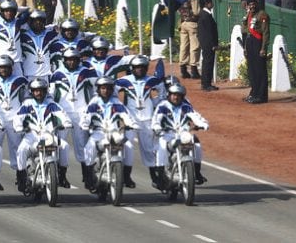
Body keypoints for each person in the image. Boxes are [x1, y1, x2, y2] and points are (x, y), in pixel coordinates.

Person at [12, 78, 72, 191]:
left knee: (64, 146)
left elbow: (63, 115)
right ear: (31, 92)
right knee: (21, 150)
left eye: (41, 90)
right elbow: (17, 117)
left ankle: (62, 175)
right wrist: (18, 126)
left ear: (46, 91)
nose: (38, 93)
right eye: (36, 90)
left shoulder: (52, 105)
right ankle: (21, 178)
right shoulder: (27, 105)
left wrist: (66, 123)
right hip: (31, 136)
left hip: (48, 135)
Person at [49, 49, 98, 188]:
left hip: (81, 112)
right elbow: (51, 94)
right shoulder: (57, 74)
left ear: (79, 59)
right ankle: (61, 176)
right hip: (63, 112)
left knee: (82, 144)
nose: (71, 61)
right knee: (60, 144)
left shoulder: (86, 72)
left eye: (74, 59)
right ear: (64, 60)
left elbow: (96, 89)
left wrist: (92, 106)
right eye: (68, 59)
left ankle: (87, 176)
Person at [116, 55, 165, 189]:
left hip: (147, 119)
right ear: (132, 68)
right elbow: (112, 94)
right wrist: (120, 109)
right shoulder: (124, 81)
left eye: (142, 68)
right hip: (130, 120)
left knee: (149, 148)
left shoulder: (152, 80)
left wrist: (155, 103)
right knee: (128, 147)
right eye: (137, 68)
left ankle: (155, 178)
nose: (139, 70)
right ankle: (126, 176)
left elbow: (162, 93)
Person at [80, 77, 137, 191]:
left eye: (108, 88)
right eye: (103, 88)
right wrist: (85, 124)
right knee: (89, 148)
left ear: (112, 89)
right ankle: (90, 178)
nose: (106, 91)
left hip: (115, 133)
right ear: (99, 89)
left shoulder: (116, 103)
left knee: (129, 146)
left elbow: (126, 115)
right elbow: (86, 116)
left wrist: (131, 123)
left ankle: (126, 176)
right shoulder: (94, 103)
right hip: (98, 133)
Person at [151, 83, 209, 187]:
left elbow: (196, 116)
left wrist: (203, 124)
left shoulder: (186, 107)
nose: (176, 97)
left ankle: (197, 172)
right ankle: (160, 178)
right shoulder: (163, 106)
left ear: (182, 96)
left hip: (183, 134)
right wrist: (157, 127)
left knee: (197, 145)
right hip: (167, 134)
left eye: (178, 95)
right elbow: (156, 119)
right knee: (162, 147)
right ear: (169, 95)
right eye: (173, 94)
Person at [242, 0, 271, 104]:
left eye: (253, 4)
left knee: (260, 70)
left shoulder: (262, 15)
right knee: (252, 70)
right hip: (250, 42)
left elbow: (265, 32)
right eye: (250, 5)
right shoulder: (249, 15)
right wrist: (245, 48)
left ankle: (261, 96)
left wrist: (263, 48)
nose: (252, 6)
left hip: (258, 43)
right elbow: (244, 30)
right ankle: (253, 93)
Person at [20, 10, 58, 79]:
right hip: (28, 74)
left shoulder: (51, 35)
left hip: (46, 74)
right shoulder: (23, 36)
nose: (38, 23)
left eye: (41, 21)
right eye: (35, 21)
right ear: (30, 22)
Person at [197, 0, 220, 91]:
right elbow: (209, 32)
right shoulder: (206, 15)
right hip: (208, 44)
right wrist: (213, 44)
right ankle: (206, 84)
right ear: (207, 4)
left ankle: (206, 83)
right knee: (208, 63)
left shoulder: (204, 14)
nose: (212, 4)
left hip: (206, 43)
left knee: (207, 62)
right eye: (210, 2)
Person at [178, 0, 201, 79]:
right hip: (192, 22)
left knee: (183, 46)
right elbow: (196, 11)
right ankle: (194, 69)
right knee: (195, 46)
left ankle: (183, 69)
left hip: (183, 22)